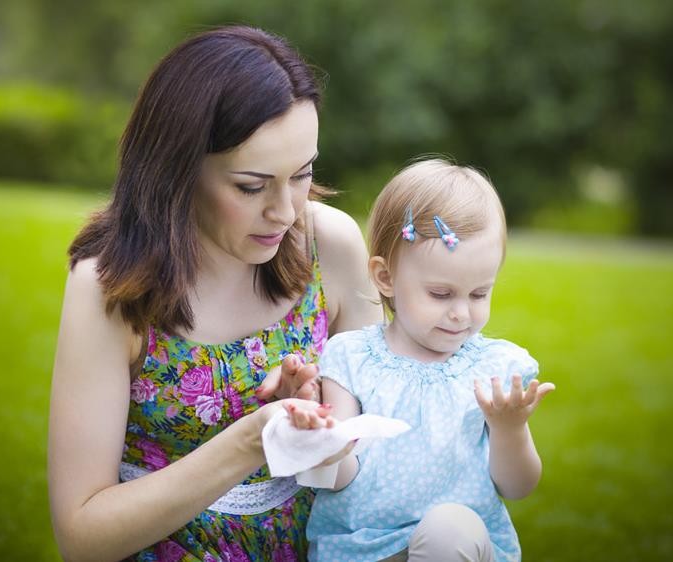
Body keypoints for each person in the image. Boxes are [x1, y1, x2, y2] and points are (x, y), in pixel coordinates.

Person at [47, 25, 382, 561]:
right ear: (177, 168)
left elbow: (384, 455)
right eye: (251, 186)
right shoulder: (110, 284)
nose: (286, 211)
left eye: (303, 175)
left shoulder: (331, 245)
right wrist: (253, 441)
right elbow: (81, 537)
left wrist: (320, 420)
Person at [287, 158, 555, 561]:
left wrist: (509, 429)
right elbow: (338, 479)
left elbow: (518, 487)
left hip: (453, 548)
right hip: (365, 548)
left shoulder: (491, 370)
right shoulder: (352, 358)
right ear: (385, 277)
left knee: (449, 528)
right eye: (441, 294)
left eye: (479, 294)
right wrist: (324, 443)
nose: (462, 313)